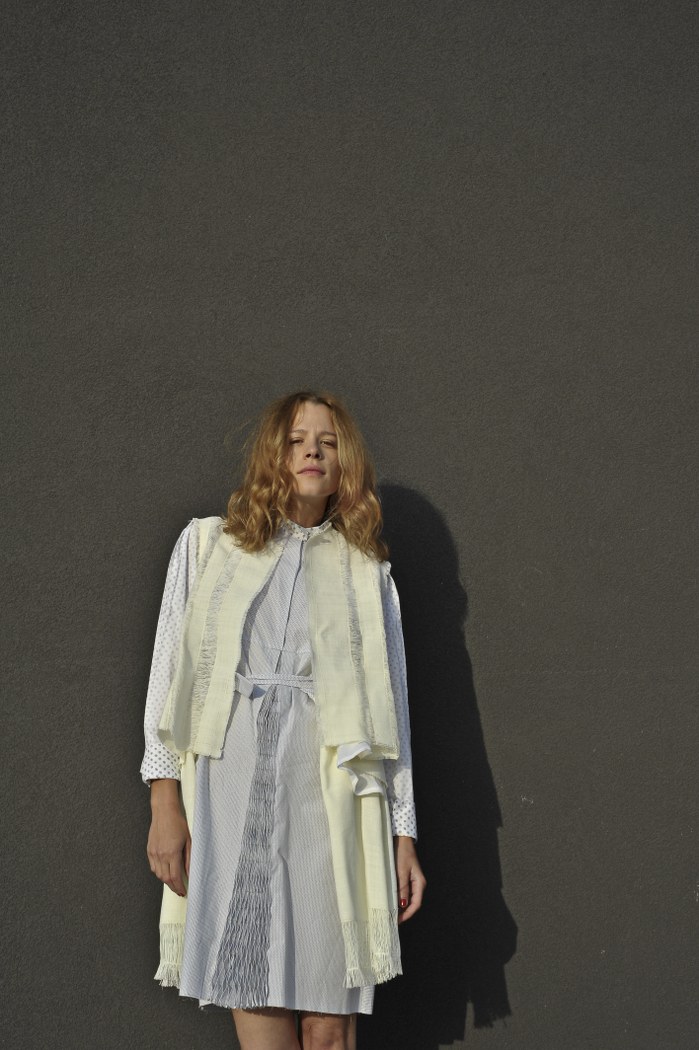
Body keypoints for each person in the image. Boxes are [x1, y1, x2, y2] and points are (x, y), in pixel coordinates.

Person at [141, 390, 426, 1050]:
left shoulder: (367, 573)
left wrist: (402, 833)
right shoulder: (207, 544)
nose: (311, 452)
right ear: (273, 452)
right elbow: (166, 680)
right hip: (229, 784)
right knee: (253, 983)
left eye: (327, 442)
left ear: (345, 462)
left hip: (331, 794)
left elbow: (393, 714)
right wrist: (164, 802)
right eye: (297, 440)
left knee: (329, 1024)